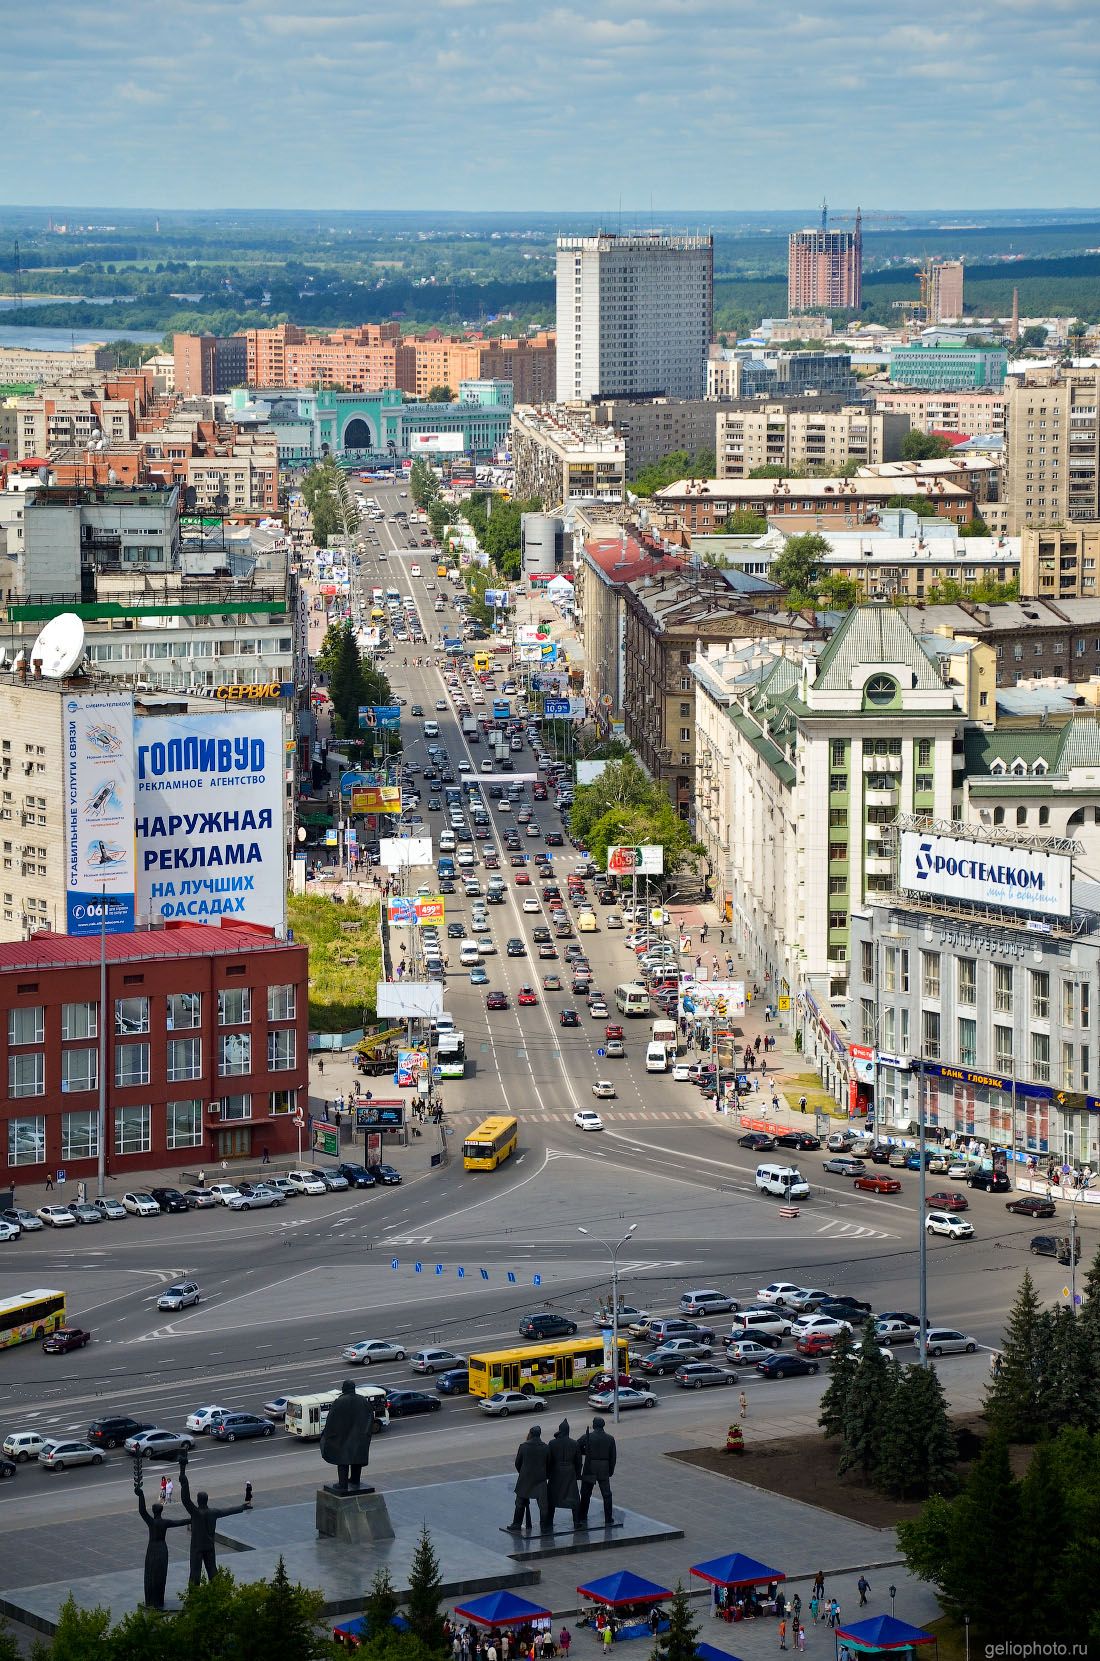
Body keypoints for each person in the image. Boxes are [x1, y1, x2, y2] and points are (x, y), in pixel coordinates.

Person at [178, 1459, 251, 1586]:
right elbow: (228, 1510)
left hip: (197, 1547)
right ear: (207, 1500)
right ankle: (218, 1592)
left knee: (195, 1572)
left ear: (198, 1500)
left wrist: (183, 1474)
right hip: (209, 1546)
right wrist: (242, 1507)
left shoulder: (195, 1513)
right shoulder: (213, 1512)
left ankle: (193, 1597)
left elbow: (185, 1499)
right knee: (212, 1570)